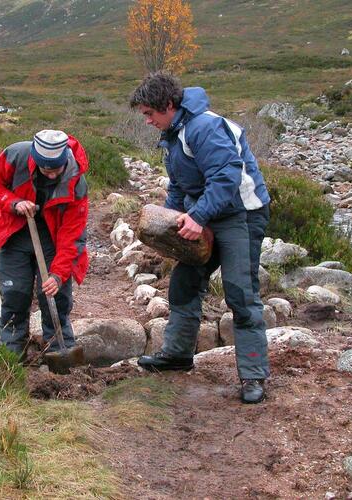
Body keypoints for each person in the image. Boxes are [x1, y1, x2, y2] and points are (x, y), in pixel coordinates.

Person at [130, 72, 271, 404]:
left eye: (150, 113)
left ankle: (253, 375)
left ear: (168, 105)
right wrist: (168, 223)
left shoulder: (203, 127)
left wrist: (198, 216)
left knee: (240, 291)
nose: (147, 120)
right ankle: (178, 355)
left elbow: (225, 176)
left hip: (242, 213)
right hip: (210, 211)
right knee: (184, 281)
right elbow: (180, 184)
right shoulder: (173, 132)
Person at [0, 130, 89, 360]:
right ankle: (11, 351)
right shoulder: (16, 155)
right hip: (16, 231)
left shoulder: (76, 180)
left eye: (56, 170)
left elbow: (73, 235)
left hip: (53, 237)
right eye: (45, 170)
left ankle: (60, 349)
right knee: (15, 292)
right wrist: (13, 202)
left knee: (54, 295)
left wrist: (58, 275)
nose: (51, 176)